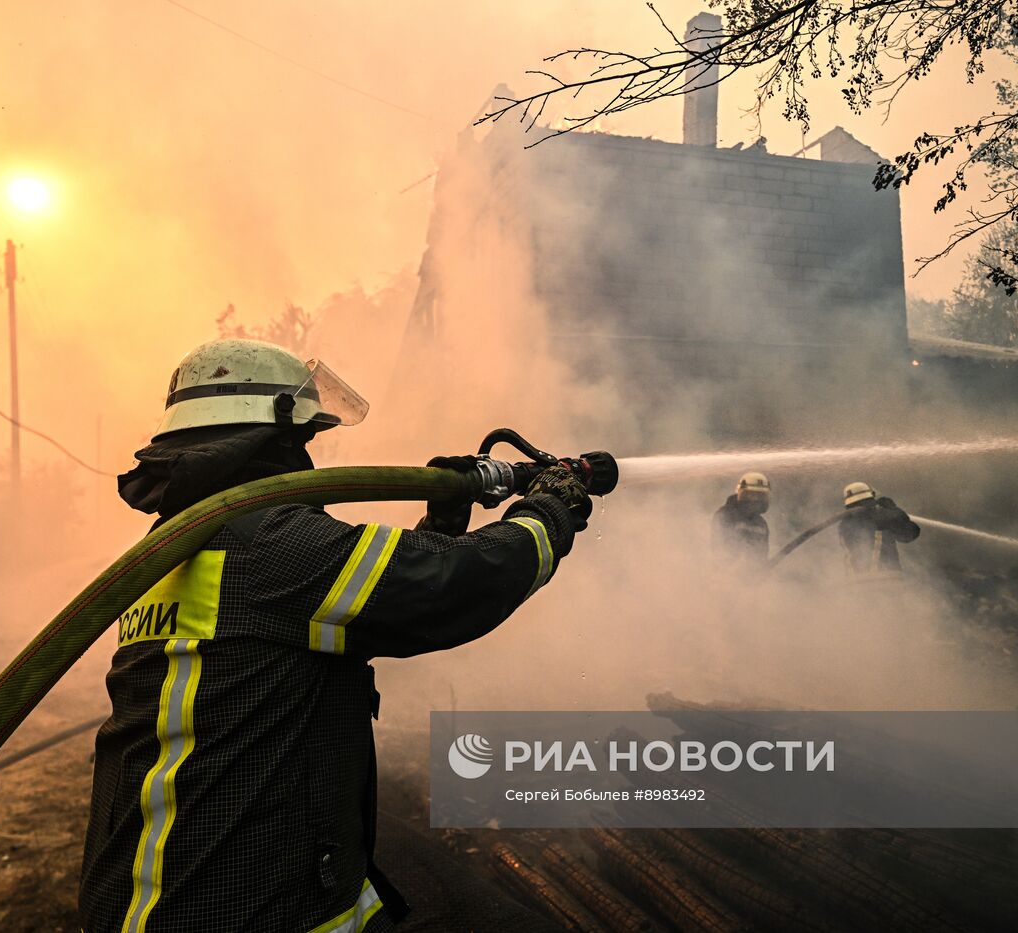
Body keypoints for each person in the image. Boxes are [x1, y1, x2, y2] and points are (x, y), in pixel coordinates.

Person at [79, 338, 594, 933]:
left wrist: (441, 523)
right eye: (302, 438)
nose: (307, 456)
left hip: (160, 890)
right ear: (272, 436)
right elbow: (450, 588)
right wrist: (549, 511)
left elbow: (357, 608)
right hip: (235, 904)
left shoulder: (175, 547)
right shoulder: (267, 542)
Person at [838, 481, 920, 575]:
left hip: (853, 580)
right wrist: (893, 509)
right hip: (883, 577)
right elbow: (911, 532)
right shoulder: (880, 517)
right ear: (868, 499)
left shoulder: (844, 524)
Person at [711, 472, 771, 565]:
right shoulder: (725, 515)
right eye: (752, 495)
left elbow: (762, 554)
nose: (756, 500)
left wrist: (761, 567)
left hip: (753, 572)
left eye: (760, 496)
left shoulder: (761, 523)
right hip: (726, 570)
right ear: (742, 494)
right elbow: (719, 548)